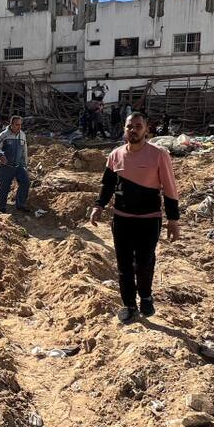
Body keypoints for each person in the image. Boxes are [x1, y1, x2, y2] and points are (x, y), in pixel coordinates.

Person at [88, 112, 180, 323]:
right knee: (124, 264)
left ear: (146, 129)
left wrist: (173, 220)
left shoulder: (159, 155)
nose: (133, 130)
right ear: (124, 129)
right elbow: (107, 185)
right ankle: (129, 304)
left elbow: (170, 188)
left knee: (144, 262)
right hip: (122, 219)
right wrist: (98, 206)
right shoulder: (116, 155)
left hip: (149, 219)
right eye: (130, 126)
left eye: (138, 126)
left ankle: (146, 296)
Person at [0, 115, 31, 214]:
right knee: (4, 188)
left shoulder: (22, 135)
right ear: (11, 125)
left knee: (25, 182)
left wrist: (25, 165)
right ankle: (1, 207)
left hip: (18, 166)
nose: (19, 127)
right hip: (6, 167)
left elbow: (24, 151)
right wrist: (0, 155)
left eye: (20, 125)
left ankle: (20, 204)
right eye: (17, 125)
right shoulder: (3, 135)